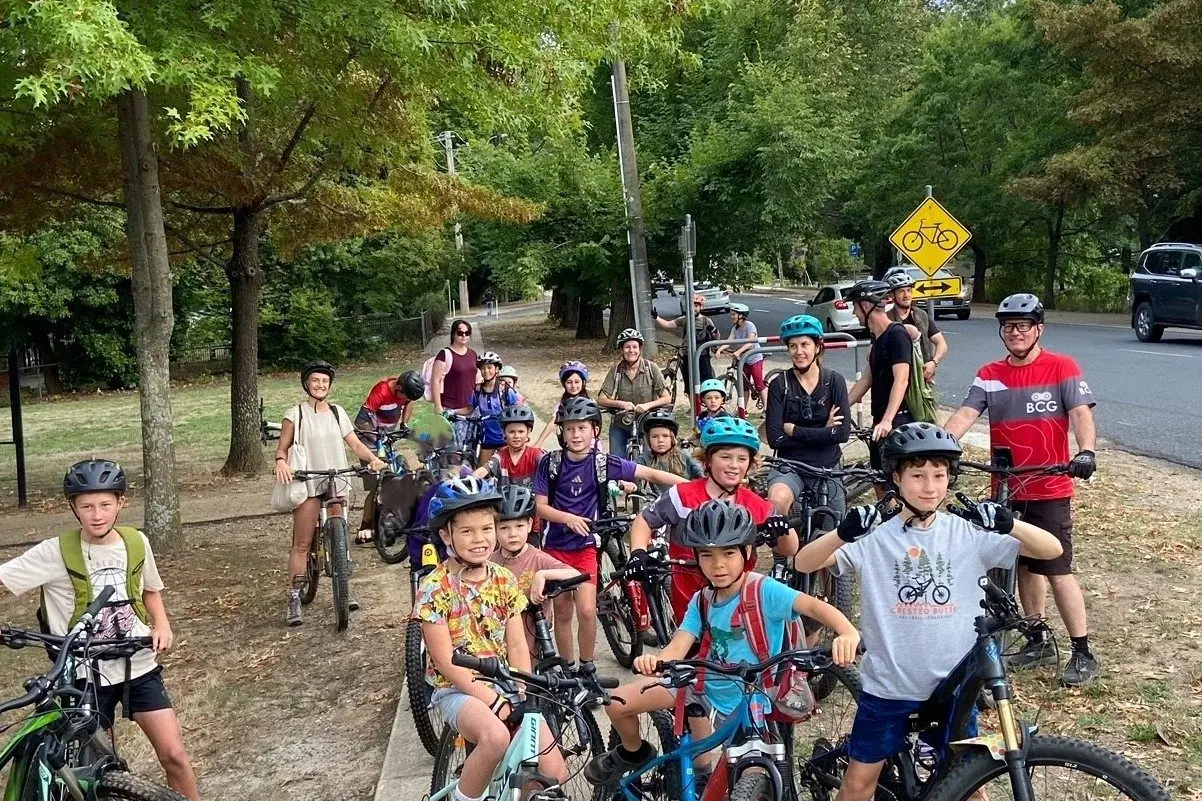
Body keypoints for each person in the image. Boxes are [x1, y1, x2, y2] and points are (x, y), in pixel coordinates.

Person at [793, 422, 1063, 801]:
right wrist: (842, 533)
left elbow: (1051, 550)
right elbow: (804, 563)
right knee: (858, 784)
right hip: (890, 685)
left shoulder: (968, 532)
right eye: (918, 476)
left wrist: (1010, 524)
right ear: (896, 478)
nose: (929, 486)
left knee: (968, 786)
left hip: (953, 685)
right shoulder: (874, 536)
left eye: (939, 476)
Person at [585, 499, 859, 788]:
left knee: (751, 779)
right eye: (707, 555)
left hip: (753, 701)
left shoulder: (763, 590)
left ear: (747, 551)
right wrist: (656, 661)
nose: (718, 565)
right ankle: (634, 753)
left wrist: (847, 631)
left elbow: (815, 608)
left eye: (728, 553)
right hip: (703, 687)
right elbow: (680, 644)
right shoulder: (702, 600)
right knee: (616, 703)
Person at [0, 459, 200, 800]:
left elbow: (150, 588)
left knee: (175, 755)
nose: (97, 515)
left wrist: (162, 623)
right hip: (84, 674)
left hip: (137, 664)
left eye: (106, 504)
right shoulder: (55, 551)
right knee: (92, 768)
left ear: (121, 503)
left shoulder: (136, 542)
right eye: (87, 506)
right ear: (74, 508)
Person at [943, 293, 1101, 686]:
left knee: (1057, 567)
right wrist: (939, 447)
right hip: (1007, 486)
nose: (1015, 332)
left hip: (1049, 484)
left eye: (1023, 325)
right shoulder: (990, 372)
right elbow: (966, 413)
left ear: (1038, 329)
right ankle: (1037, 638)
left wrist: (1086, 451)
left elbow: (1081, 413)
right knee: (1026, 565)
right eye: (1008, 326)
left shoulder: (1061, 367)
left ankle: (1082, 650)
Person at [413, 476, 568, 801]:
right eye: (467, 531)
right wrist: (492, 699)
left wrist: (522, 692)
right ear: (446, 535)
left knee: (556, 771)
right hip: (457, 688)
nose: (479, 539)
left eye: (486, 529)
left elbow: (516, 645)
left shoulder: (503, 579)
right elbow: (444, 660)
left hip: (505, 683)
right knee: (496, 736)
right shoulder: (434, 588)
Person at [532, 397, 686, 676]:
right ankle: (568, 668)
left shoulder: (602, 463)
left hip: (586, 548)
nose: (576, 435)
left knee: (588, 610)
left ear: (595, 431)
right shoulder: (549, 464)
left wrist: (693, 487)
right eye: (569, 429)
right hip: (555, 548)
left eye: (582, 428)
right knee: (564, 612)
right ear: (562, 433)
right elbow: (540, 507)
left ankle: (587, 668)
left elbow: (650, 472)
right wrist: (568, 518)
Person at [626, 417, 797, 624]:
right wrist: (637, 552)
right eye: (725, 457)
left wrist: (782, 529)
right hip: (689, 601)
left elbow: (790, 549)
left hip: (737, 603)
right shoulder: (682, 495)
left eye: (742, 459)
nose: (734, 465)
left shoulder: (755, 504)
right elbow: (645, 520)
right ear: (708, 459)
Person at [274, 361, 385, 626]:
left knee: (341, 538)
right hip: (308, 480)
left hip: (336, 479)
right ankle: (293, 597)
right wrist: (280, 461)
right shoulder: (295, 414)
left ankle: (343, 588)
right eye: (315, 381)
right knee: (302, 543)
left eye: (324, 381)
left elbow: (355, 443)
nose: (320, 385)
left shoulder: (337, 412)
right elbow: (282, 447)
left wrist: (373, 460)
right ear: (306, 384)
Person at [764, 314, 851, 528]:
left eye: (805, 344)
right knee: (775, 506)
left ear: (817, 347)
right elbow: (775, 439)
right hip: (789, 465)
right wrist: (824, 432)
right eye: (793, 346)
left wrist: (793, 430)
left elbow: (842, 434)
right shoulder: (779, 384)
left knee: (835, 529)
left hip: (827, 465)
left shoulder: (834, 381)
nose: (799, 352)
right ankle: (781, 559)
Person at [489, 484, 581, 658]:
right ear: (493, 528)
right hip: (496, 645)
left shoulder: (538, 559)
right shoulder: (489, 560)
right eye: (504, 528)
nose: (512, 534)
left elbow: (576, 574)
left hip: (531, 646)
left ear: (530, 524)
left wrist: (543, 575)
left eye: (519, 526)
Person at [845, 281, 913, 497]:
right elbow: (866, 380)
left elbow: (901, 379)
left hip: (898, 420)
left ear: (866, 306)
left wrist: (888, 420)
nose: (854, 312)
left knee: (898, 485)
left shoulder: (897, 334)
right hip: (879, 422)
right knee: (878, 480)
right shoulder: (877, 338)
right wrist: (840, 408)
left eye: (855, 306)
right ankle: (888, 523)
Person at [352, 368, 425, 544]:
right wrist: (376, 438)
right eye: (405, 396)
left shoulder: (406, 394)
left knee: (400, 476)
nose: (407, 400)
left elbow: (409, 402)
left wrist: (404, 423)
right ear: (398, 389)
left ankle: (397, 519)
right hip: (370, 440)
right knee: (376, 483)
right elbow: (360, 421)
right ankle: (366, 525)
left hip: (387, 437)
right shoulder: (382, 391)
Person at [597, 329, 672, 457]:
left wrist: (647, 406)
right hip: (621, 422)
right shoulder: (615, 371)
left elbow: (666, 398)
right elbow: (601, 399)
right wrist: (621, 404)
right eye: (627, 347)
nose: (631, 350)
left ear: (640, 349)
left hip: (648, 422)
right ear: (621, 350)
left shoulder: (651, 368)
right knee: (616, 462)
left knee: (652, 460)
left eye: (634, 347)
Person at [448, 351, 518, 466]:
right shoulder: (477, 390)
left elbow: (517, 411)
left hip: (505, 439)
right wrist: (452, 411)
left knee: (508, 470)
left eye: (490, 367)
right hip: (488, 438)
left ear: (497, 369)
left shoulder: (504, 389)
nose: (486, 371)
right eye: (483, 368)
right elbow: (469, 409)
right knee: (482, 471)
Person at [654, 293, 719, 410]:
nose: (694, 308)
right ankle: (694, 407)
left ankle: (707, 407)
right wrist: (656, 317)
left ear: (701, 307)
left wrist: (713, 331)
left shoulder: (706, 321)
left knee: (706, 382)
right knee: (689, 384)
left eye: (696, 306)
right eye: (692, 306)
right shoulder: (684, 320)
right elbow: (668, 325)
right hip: (687, 356)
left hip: (702, 356)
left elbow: (716, 337)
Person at [884, 267, 948, 382]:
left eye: (908, 290)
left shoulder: (921, 315)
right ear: (892, 295)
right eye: (901, 291)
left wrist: (934, 362)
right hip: (895, 380)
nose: (906, 295)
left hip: (922, 379)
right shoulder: (886, 319)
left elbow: (941, 343)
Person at [635, 409, 704, 495]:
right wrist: (628, 482)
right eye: (655, 436)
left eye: (665, 436)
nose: (660, 440)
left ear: (672, 438)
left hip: (686, 501)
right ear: (648, 440)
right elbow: (632, 469)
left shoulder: (685, 456)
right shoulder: (645, 458)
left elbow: (701, 475)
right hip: (659, 503)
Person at [714, 303, 764, 416]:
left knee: (759, 385)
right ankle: (743, 409)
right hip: (743, 359)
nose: (731, 317)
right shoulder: (735, 328)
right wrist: (720, 349)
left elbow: (751, 341)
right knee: (744, 386)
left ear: (741, 316)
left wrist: (739, 351)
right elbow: (729, 341)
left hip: (754, 358)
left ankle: (767, 409)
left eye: (733, 314)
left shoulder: (749, 326)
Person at [534, 360, 590, 449]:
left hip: (589, 447)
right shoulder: (561, 405)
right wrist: (538, 443)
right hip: (570, 446)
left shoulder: (590, 403)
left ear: (583, 383)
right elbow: (553, 423)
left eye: (577, 382)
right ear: (564, 384)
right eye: (569, 382)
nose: (573, 386)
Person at [431, 319, 479, 418]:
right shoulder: (444, 354)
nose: (464, 335)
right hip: (450, 408)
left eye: (467, 333)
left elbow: (476, 378)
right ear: (453, 334)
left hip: (470, 408)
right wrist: (438, 406)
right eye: (460, 333)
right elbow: (435, 380)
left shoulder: (473, 354)